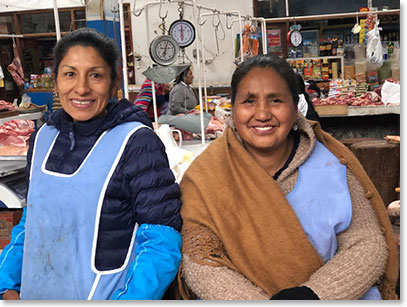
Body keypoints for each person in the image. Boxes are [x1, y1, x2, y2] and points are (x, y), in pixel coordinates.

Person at [177, 54, 398, 300]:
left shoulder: (333, 163)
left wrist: (314, 296)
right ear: (234, 108)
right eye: (249, 101)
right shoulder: (207, 175)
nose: (262, 114)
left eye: (276, 100)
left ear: (295, 108)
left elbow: (366, 243)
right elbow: (201, 258)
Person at [0, 27, 182, 300]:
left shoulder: (136, 142)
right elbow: (31, 223)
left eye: (95, 75)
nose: (82, 88)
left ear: (113, 83)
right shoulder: (43, 139)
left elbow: (161, 243)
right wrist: (6, 285)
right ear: (57, 82)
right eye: (70, 74)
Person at [158, 66, 211, 134]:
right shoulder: (178, 89)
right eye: (190, 74)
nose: (193, 76)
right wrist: (191, 112)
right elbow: (175, 107)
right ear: (184, 77)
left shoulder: (187, 88)